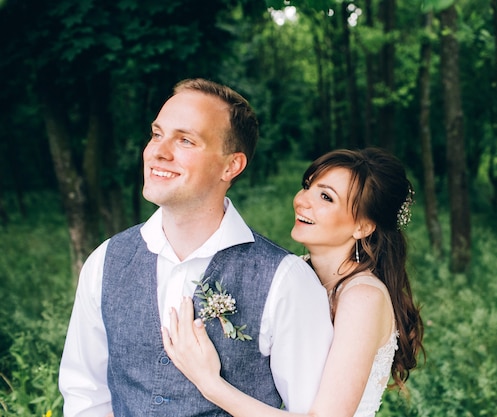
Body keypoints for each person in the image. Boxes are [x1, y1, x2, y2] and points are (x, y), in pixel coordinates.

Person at [58, 78, 334, 417]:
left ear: (231, 166)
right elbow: (85, 395)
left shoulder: (286, 281)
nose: (158, 151)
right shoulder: (105, 261)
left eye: (185, 140)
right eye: (157, 134)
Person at [162, 148, 425, 417]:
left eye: (325, 197)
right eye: (307, 186)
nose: (302, 201)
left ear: (363, 227)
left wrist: (210, 384)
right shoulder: (295, 274)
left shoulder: (362, 298)